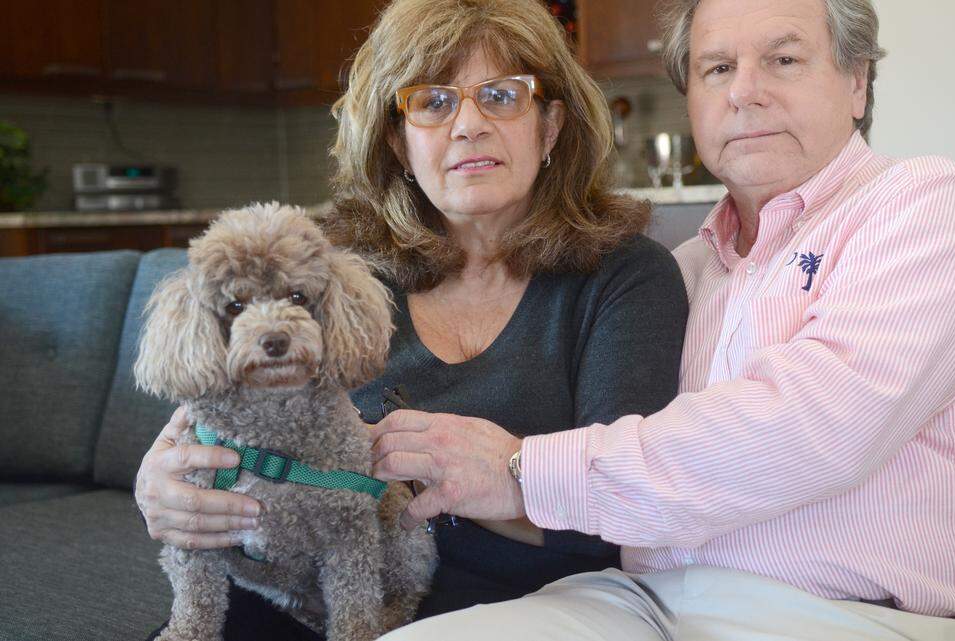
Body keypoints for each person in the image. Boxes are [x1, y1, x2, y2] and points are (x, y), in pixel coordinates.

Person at [370, 0, 955, 640]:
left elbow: (810, 425)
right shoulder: (688, 272)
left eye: (783, 60)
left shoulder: (926, 207)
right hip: (649, 603)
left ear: (857, 80)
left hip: (873, 615)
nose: (745, 90)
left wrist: (524, 471)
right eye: (717, 68)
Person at [135, 0, 688, 638]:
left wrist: (504, 481)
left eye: (502, 96)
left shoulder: (625, 277)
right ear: (398, 140)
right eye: (433, 102)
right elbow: (205, 424)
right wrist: (161, 489)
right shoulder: (325, 275)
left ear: (551, 126)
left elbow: (628, 513)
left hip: (517, 612)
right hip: (296, 602)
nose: (468, 126)